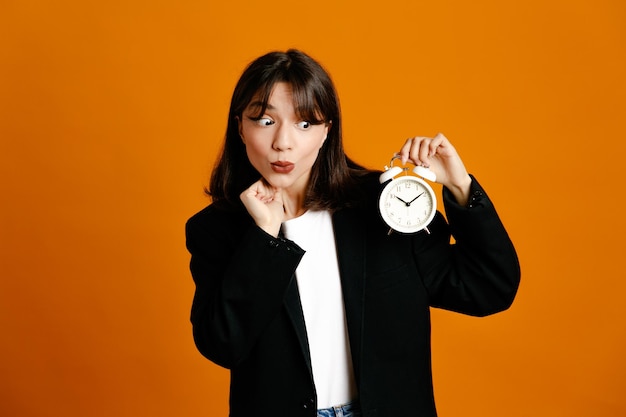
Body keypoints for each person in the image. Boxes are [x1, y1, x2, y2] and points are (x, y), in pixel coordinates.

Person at [185, 49, 520, 417]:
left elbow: (489, 287)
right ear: (240, 127)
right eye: (264, 121)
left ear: (327, 129)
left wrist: (459, 186)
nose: (283, 142)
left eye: (305, 123)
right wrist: (265, 236)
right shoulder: (216, 230)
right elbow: (222, 345)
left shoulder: (383, 205)